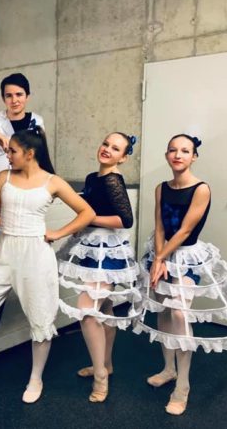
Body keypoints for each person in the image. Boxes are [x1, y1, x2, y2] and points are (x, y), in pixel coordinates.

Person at [0, 125, 95, 403]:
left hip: (36, 255)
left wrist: (58, 233)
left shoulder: (53, 182)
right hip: (4, 251)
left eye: (12, 151)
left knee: (41, 318)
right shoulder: (3, 177)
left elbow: (87, 212)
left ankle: (36, 377)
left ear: (29, 153)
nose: (8, 155)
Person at [134, 134, 227, 415]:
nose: (178, 155)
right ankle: (169, 369)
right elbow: (159, 226)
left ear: (194, 156)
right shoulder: (161, 188)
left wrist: (162, 258)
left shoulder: (201, 189)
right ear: (167, 155)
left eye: (185, 151)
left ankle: (183, 386)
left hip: (186, 257)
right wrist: (158, 258)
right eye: (173, 150)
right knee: (163, 311)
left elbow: (185, 230)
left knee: (179, 313)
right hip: (161, 254)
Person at [56, 132, 139, 403]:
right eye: (105, 144)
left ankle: (101, 376)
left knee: (87, 310)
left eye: (115, 149)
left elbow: (125, 220)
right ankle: (106, 364)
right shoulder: (94, 177)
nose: (107, 150)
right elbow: (89, 203)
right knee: (104, 309)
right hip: (91, 247)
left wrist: (89, 218)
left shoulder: (114, 180)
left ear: (123, 158)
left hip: (108, 250)